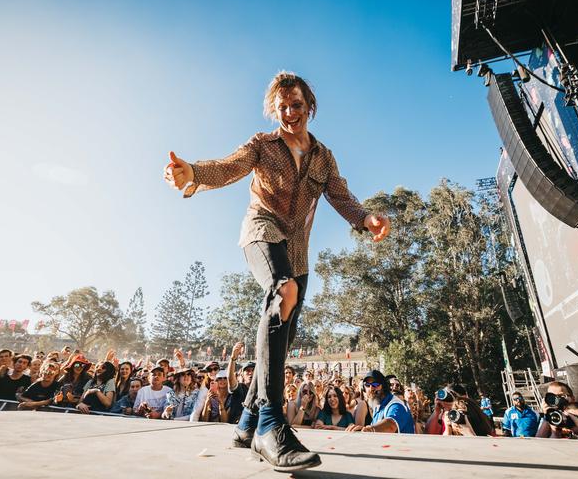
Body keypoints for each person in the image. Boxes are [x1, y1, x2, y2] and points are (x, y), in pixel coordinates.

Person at [164, 71, 390, 471]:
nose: (290, 113)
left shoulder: (323, 156)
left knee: (282, 336)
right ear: (275, 109)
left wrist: (366, 217)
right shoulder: (262, 145)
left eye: (297, 105)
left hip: (297, 250)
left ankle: (248, 421)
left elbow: (340, 194)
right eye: (282, 106)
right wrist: (194, 173)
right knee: (282, 292)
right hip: (261, 231)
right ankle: (271, 424)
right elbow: (228, 167)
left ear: (309, 107)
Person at [347, 370, 414, 434]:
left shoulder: (396, 404)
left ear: (384, 386)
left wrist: (369, 430)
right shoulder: (377, 406)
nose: (371, 388)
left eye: (375, 384)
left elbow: (391, 425)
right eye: (367, 385)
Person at [227, 343, 254, 425]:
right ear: (242, 374)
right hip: (236, 427)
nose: (251, 373)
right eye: (248, 371)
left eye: (253, 370)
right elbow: (231, 379)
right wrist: (233, 359)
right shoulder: (240, 388)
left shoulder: (261, 391)